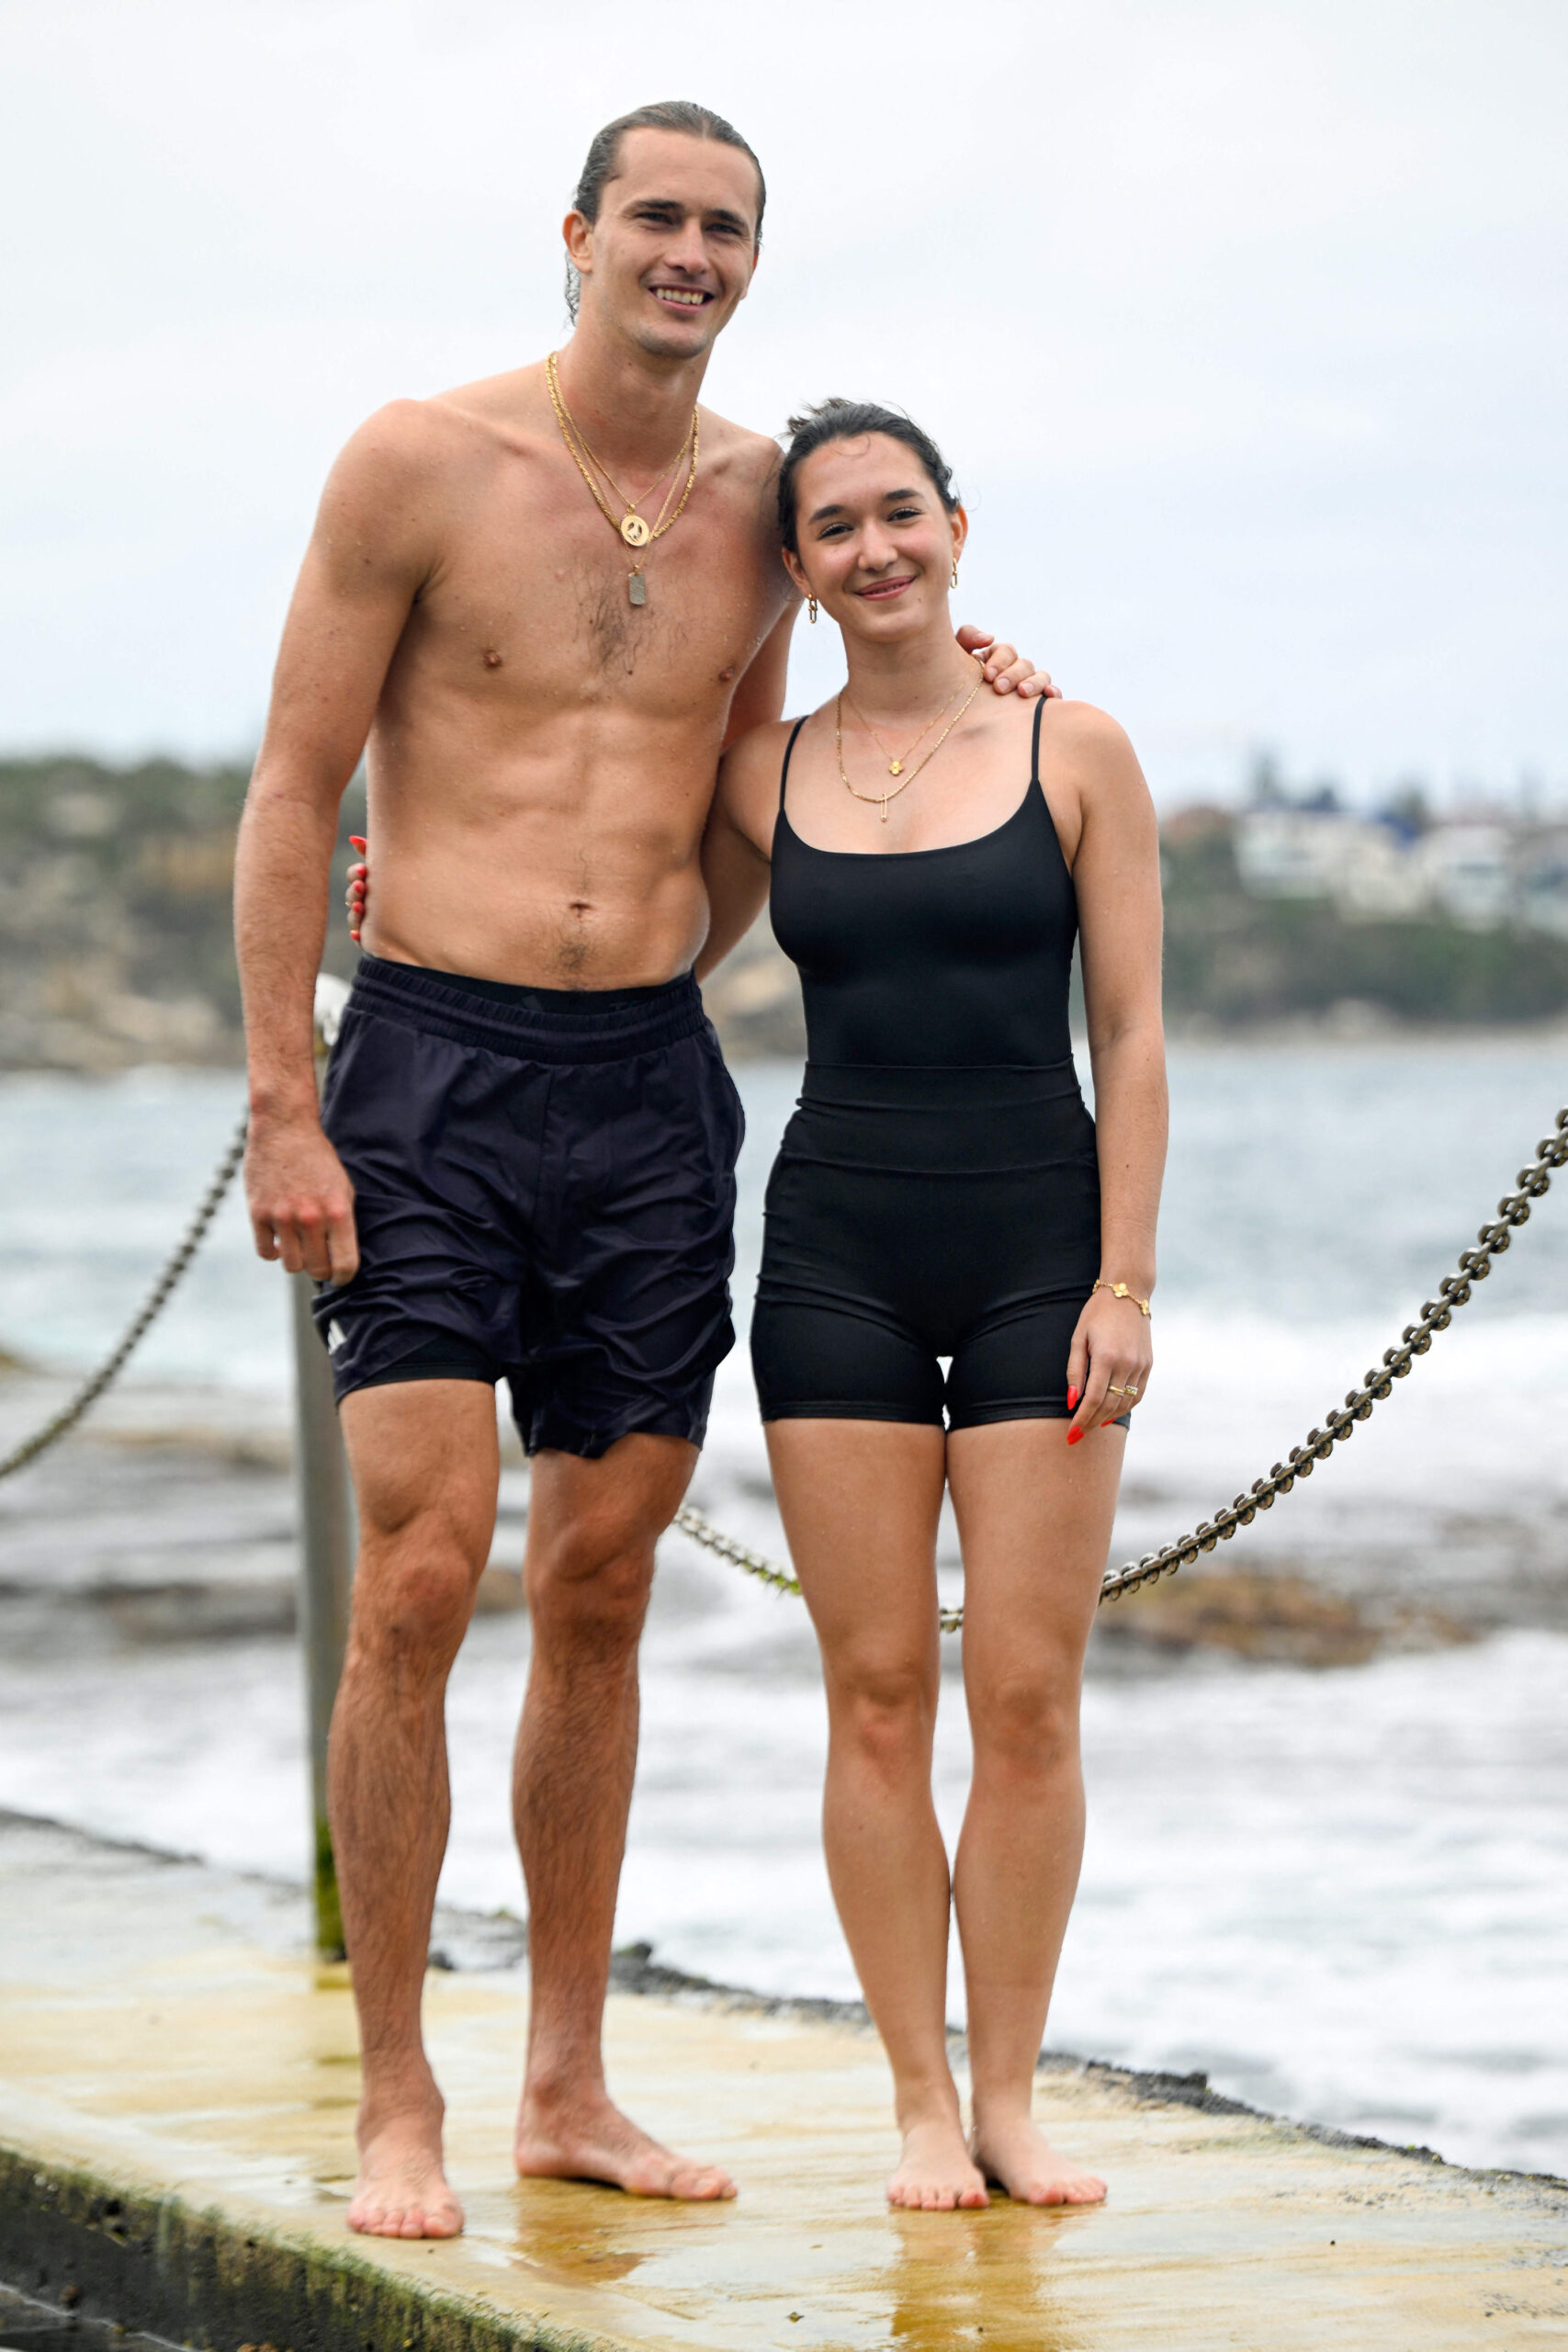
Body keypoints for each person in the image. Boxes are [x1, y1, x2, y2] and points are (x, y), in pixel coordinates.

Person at [235, 99, 1052, 2242]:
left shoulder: (761, 505)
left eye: (726, 229)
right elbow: (292, 780)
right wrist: (282, 1099)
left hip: (648, 1086)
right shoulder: (418, 459)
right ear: (579, 233)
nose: (687, 254)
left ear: (750, 263)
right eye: (656, 219)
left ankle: (564, 2078)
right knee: (418, 1575)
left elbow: (780, 760)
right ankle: (400, 2091)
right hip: (423, 1059)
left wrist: (982, 695)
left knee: (595, 1582)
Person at [695, 401, 1168, 2210]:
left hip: (1042, 1244)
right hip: (832, 1255)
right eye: (834, 527)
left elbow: (1127, 1032)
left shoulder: (1076, 747)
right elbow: (639, 930)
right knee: (878, 1692)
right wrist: (406, 902)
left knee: (1026, 1692)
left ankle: (1012, 2093)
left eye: (901, 511)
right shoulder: (762, 766)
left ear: (955, 528)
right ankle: (913, 2092)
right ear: (798, 572)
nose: (875, 547)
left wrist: (1124, 1278)